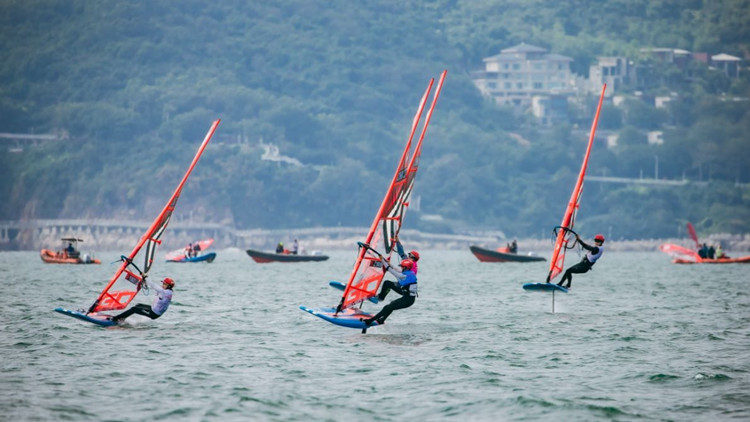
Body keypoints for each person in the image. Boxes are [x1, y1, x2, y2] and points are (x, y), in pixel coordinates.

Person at [362, 258, 417, 326]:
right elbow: (396, 269)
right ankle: (381, 302)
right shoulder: (410, 272)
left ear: (405, 267)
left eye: (402, 266)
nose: (401, 268)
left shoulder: (403, 275)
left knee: (388, 307)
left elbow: (390, 270)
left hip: (408, 300)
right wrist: (387, 262)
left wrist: (382, 260)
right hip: (407, 295)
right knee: (387, 285)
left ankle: (370, 321)